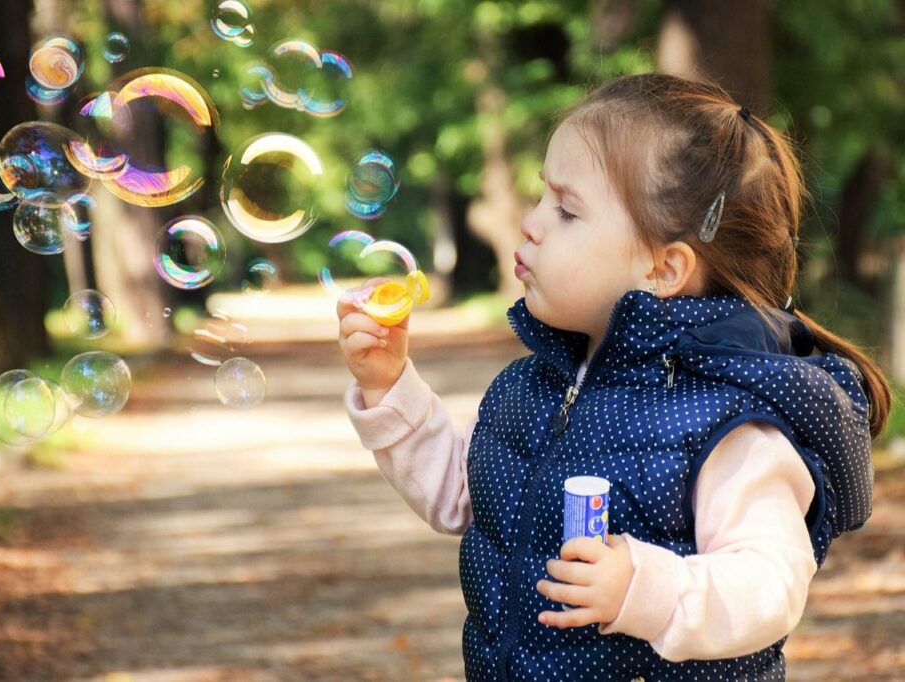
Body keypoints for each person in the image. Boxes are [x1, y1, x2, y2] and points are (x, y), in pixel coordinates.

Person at [336, 72, 890, 681]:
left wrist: (644, 588)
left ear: (663, 267)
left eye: (567, 210)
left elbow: (769, 584)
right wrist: (390, 386)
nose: (530, 222)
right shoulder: (533, 388)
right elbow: (464, 498)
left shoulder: (724, 423)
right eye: (542, 196)